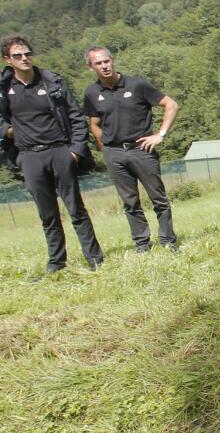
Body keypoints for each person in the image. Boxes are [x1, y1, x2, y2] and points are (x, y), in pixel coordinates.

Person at [0, 35, 104, 272]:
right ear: (7, 59)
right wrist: (7, 132)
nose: (24, 58)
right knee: (48, 215)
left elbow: (77, 117)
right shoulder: (4, 89)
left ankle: (95, 260)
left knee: (76, 210)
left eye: (27, 54)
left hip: (60, 152)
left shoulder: (52, 82)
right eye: (18, 56)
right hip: (29, 156)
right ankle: (57, 264)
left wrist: (75, 151)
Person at [82, 47, 179, 252]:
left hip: (141, 149)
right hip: (114, 154)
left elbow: (171, 105)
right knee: (130, 203)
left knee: (159, 199)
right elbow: (94, 123)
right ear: (91, 67)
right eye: (98, 63)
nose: (104, 66)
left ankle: (168, 241)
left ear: (113, 60)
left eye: (106, 61)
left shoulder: (137, 85)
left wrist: (160, 135)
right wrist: (105, 149)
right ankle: (142, 245)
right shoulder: (91, 93)